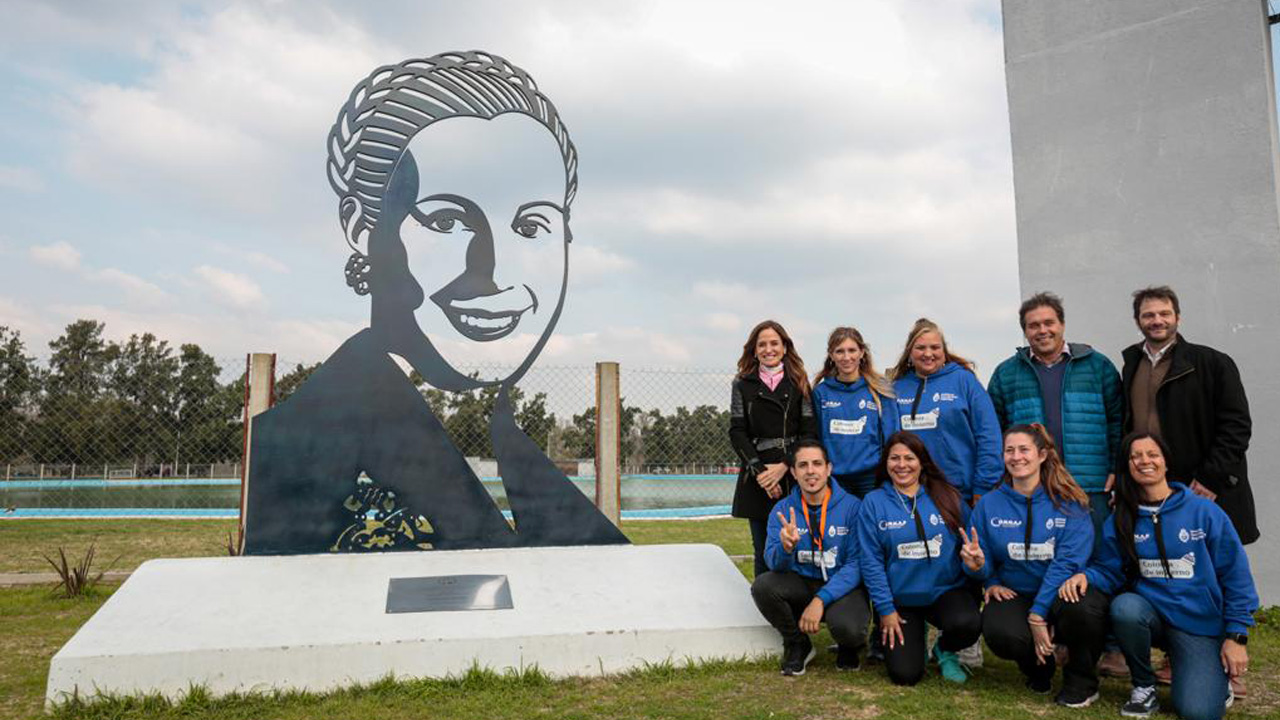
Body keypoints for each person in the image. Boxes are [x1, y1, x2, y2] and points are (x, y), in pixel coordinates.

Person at [243, 52, 627, 554]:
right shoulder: (302, 445)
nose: (494, 272)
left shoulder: (507, 435)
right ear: (362, 229)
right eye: (447, 221)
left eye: (531, 226)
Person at [1065, 433, 1258, 720]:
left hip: (1198, 625)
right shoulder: (1123, 517)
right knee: (1125, 607)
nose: (1145, 461)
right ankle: (1144, 687)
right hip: (1151, 616)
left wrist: (1237, 636)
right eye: (1135, 456)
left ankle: (1209, 675)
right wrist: (1086, 576)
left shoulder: (1203, 511)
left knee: (1198, 712)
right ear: (1127, 466)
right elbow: (1109, 568)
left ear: (1166, 461)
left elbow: (1236, 575)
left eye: (1152, 454)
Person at [963, 424, 1107, 708]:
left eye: (1024, 449)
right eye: (1009, 451)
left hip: (1060, 591)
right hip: (1018, 591)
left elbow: (1067, 563)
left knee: (1084, 607)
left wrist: (1038, 615)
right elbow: (982, 559)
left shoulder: (1069, 502)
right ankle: (1039, 666)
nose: (1016, 457)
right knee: (1001, 631)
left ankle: (1081, 680)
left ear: (1042, 454)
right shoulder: (989, 504)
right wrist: (984, 574)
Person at [1121, 286, 1257, 546]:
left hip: (1204, 488)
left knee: (1216, 569)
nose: (1157, 320)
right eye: (1149, 315)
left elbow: (1236, 427)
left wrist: (1210, 478)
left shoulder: (1212, 363)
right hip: (1154, 488)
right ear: (1137, 320)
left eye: (1165, 313)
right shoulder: (1132, 366)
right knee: (1166, 566)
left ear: (1178, 318)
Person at [986, 292, 1123, 537]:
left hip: (1090, 482)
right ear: (1025, 331)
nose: (1042, 330)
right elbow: (994, 431)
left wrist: (1115, 467)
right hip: (1034, 486)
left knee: (1099, 556)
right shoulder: (1006, 374)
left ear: (1062, 325)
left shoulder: (1098, 366)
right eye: (1033, 325)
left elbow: (1118, 420)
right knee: (1043, 556)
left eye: (1049, 323)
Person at [856, 431, 981, 685]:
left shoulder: (946, 496)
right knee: (905, 675)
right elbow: (871, 563)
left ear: (922, 461)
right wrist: (885, 610)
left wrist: (977, 566)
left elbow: (973, 549)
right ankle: (916, 635)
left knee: (968, 623)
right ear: (885, 463)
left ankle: (944, 649)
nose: (902, 465)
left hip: (945, 592)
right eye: (894, 458)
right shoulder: (873, 502)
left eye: (909, 458)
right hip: (902, 600)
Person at [752, 440, 870, 675]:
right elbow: (773, 564)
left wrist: (820, 600)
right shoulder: (782, 510)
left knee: (850, 628)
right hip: (802, 584)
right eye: (803, 465)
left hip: (841, 588)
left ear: (828, 468)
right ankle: (797, 643)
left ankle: (850, 645)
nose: (811, 471)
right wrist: (786, 549)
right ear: (794, 473)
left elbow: (856, 564)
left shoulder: (853, 508)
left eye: (817, 463)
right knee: (763, 586)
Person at [730, 320, 818, 578]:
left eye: (774, 343)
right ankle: (764, 607)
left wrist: (783, 467)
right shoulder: (742, 384)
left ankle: (797, 608)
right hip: (756, 474)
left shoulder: (799, 382)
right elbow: (737, 431)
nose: (769, 349)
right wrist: (761, 473)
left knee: (796, 544)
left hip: (793, 473)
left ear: (785, 347)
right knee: (763, 550)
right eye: (762, 344)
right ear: (754, 350)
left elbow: (809, 432)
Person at [889, 318, 1002, 503]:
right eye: (920, 348)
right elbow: (889, 442)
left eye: (935, 347)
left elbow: (989, 436)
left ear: (944, 350)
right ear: (909, 352)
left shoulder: (965, 381)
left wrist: (983, 486)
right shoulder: (897, 389)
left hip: (961, 493)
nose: (928, 354)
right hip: (912, 494)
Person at [812, 326, 898, 498]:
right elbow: (815, 438)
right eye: (839, 351)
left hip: (871, 478)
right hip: (834, 478)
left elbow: (893, 437)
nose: (846, 357)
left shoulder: (880, 390)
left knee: (869, 524)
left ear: (862, 352)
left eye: (852, 350)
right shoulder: (821, 393)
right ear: (831, 355)